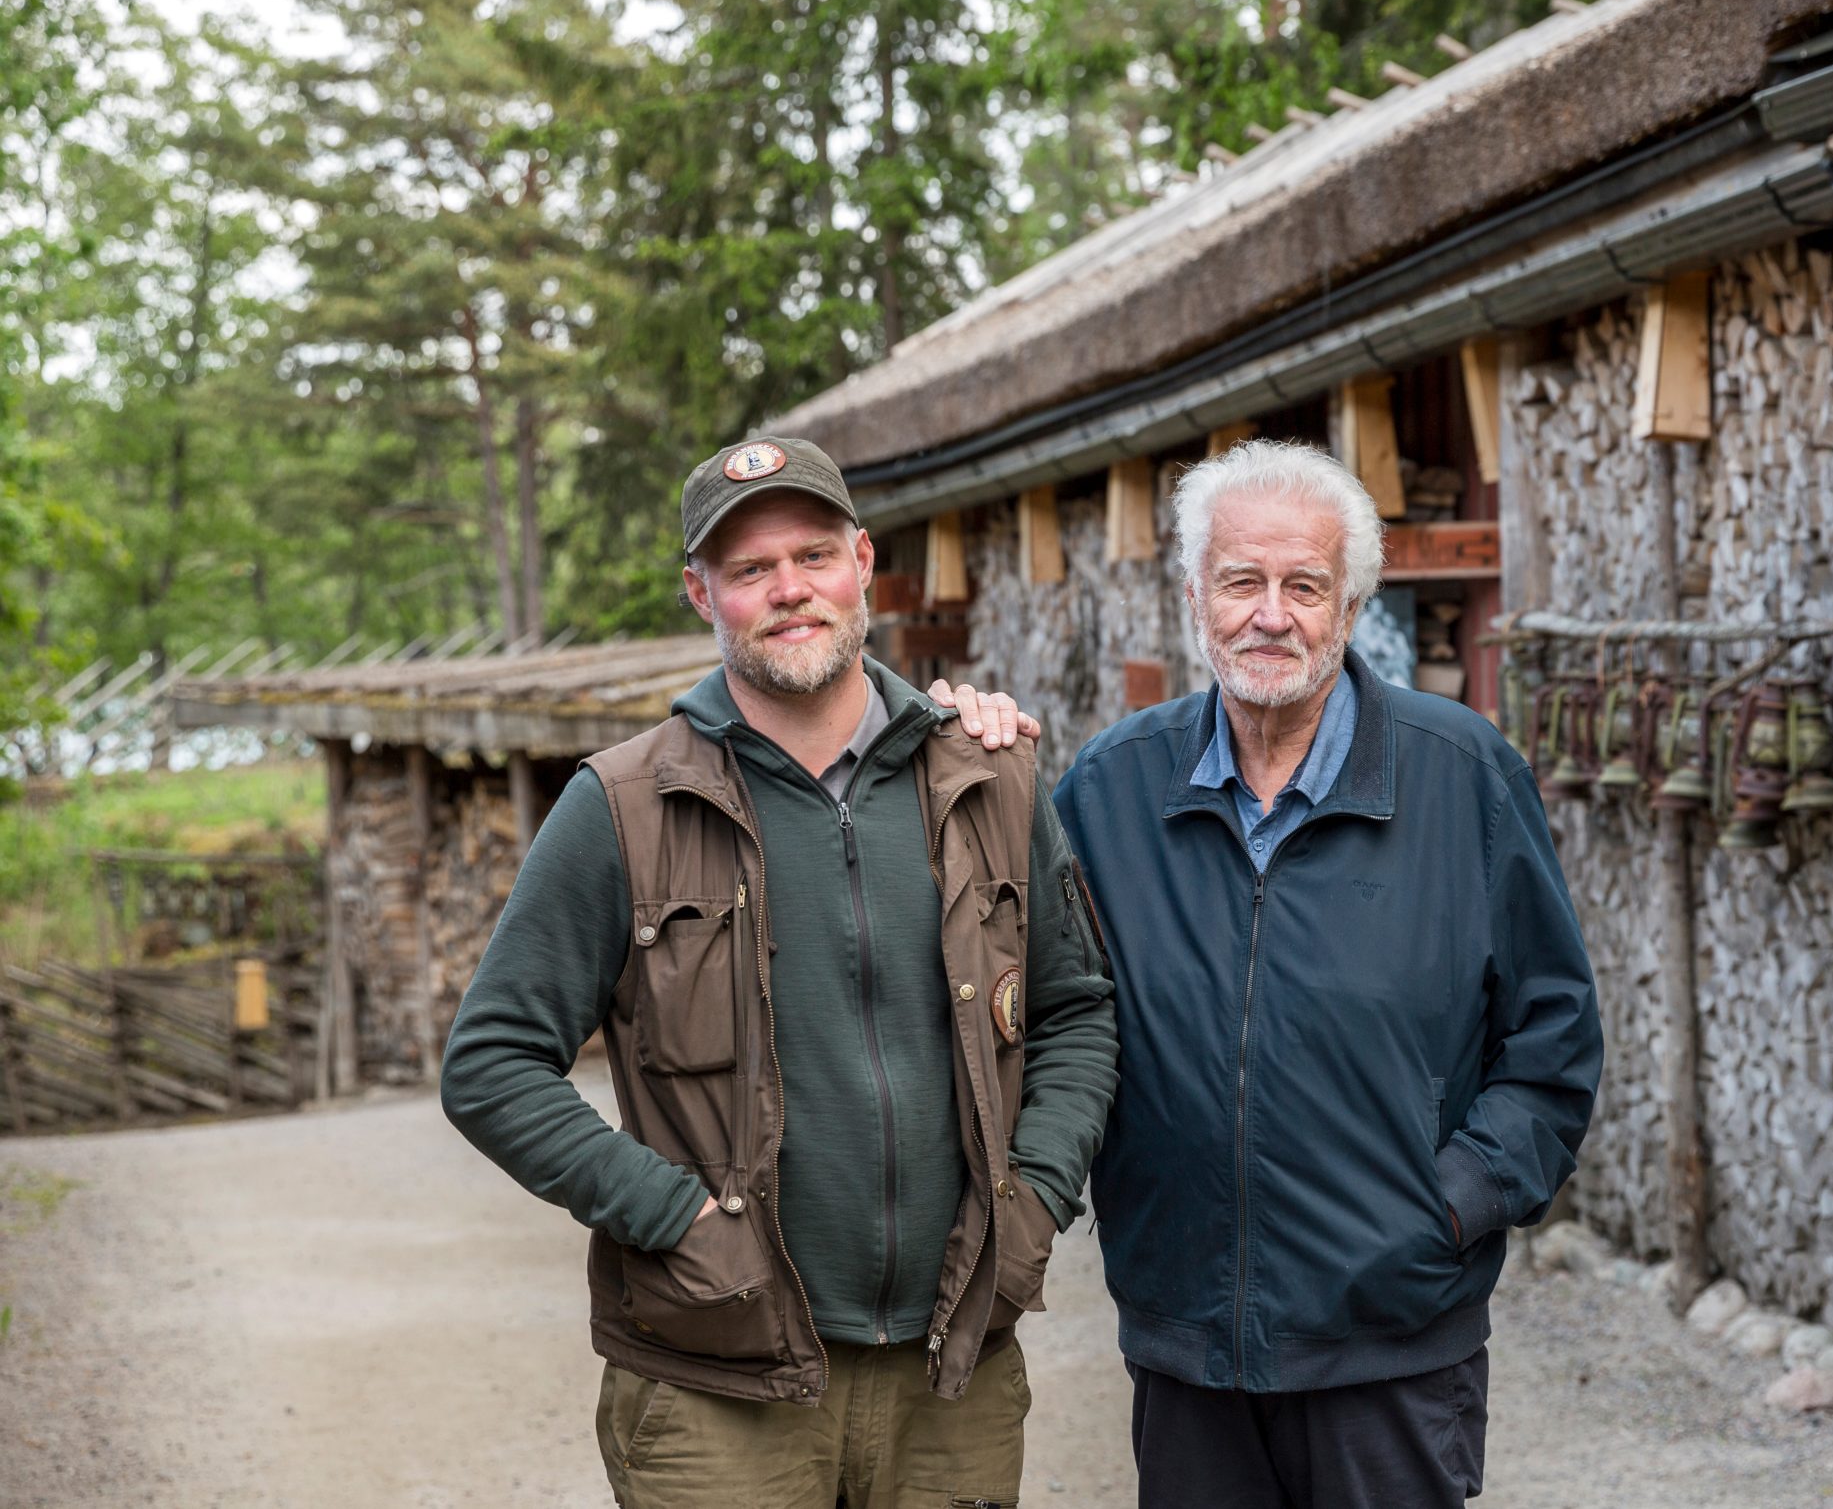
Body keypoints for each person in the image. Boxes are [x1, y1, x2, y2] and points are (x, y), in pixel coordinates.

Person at [440, 434, 1116, 1509]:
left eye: (812, 555)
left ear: (862, 562)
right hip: (719, 1389)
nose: (789, 589)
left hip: (954, 1382)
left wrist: (1032, 1199)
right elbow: (490, 1065)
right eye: (750, 569)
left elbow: (1075, 1012)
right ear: (699, 592)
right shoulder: (622, 806)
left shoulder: (988, 779)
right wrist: (670, 1217)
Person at [1050, 437, 1602, 1509]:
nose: (1271, 615)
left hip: (1392, 1343)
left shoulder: (1464, 777)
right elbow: (1052, 1016)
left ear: (1349, 607)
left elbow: (1554, 1039)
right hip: (1187, 1342)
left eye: (1304, 586)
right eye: (1241, 582)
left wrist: (1449, 1205)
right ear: (1194, 596)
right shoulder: (1110, 790)